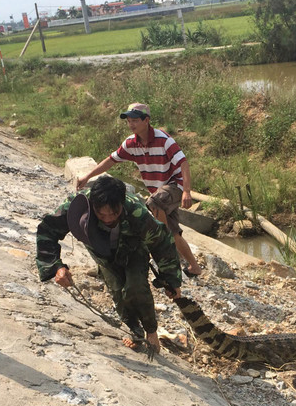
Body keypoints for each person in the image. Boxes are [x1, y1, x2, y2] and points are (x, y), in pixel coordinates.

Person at [36, 176, 182, 354]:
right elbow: (47, 230)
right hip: (100, 249)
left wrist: (171, 280)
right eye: (101, 214)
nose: (107, 219)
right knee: (117, 291)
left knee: (136, 286)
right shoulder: (76, 206)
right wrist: (56, 266)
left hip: (133, 248)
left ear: (121, 205)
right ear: (92, 206)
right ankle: (136, 332)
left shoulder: (137, 213)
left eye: (113, 214)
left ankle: (151, 331)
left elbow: (162, 244)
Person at [76, 102, 202, 277]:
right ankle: (194, 266)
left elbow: (183, 163)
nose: (131, 124)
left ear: (146, 120)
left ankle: (163, 249)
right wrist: (88, 176)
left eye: (135, 120)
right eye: (128, 121)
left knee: (154, 204)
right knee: (173, 232)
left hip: (175, 186)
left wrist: (187, 190)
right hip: (157, 191)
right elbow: (111, 160)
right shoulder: (130, 143)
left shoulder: (163, 139)